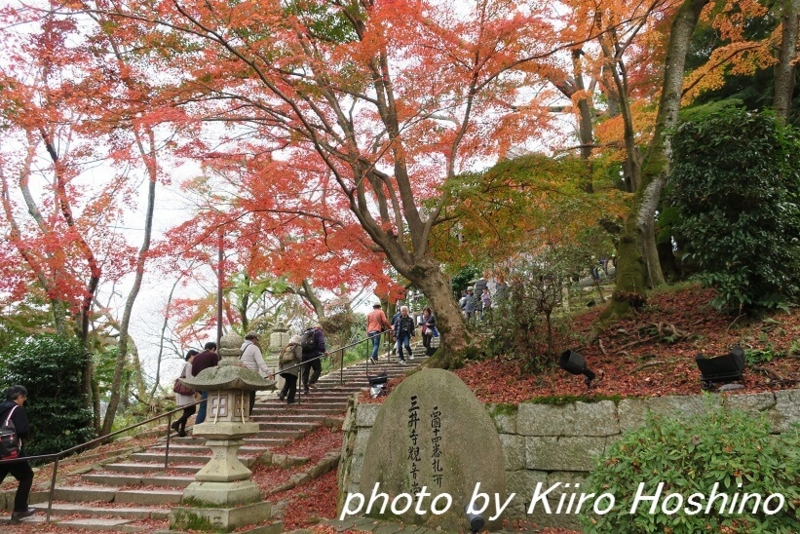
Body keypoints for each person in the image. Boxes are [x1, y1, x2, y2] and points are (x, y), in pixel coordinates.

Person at [0, 385, 36, 523]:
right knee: (27, 476)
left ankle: (20, 510)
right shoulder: (17, 409)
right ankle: (20, 510)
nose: (24, 400)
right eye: (24, 397)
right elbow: (22, 430)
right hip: (11, 452)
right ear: (20, 396)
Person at [240, 332, 271, 413]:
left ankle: (240, 414)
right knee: (251, 395)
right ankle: (248, 414)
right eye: (256, 339)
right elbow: (260, 362)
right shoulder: (254, 348)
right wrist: (268, 372)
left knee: (242, 395)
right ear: (253, 339)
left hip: (240, 374)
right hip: (251, 375)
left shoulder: (239, 347)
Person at [190, 341, 219, 425]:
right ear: (213, 349)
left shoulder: (196, 357)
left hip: (199, 385)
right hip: (209, 384)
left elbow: (193, 372)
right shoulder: (213, 355)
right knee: (205, 405)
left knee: (205, 403)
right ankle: (198, 426)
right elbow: (216, 369)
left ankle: (205, 423)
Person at [172, 349, 198, 437]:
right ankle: (177, 423)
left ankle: (182, 430)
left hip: (181, 392)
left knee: (186, 411)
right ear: (191, 355)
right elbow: (189, 378)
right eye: (195, 356)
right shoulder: (189, 365)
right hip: (186, 392)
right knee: (192, 410)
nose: (196, 359)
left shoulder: (183, 364)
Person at [301, 324, 327, 394]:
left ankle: (305, 389)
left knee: (305, 372)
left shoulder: (306, 332)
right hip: (313, 354)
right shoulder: (318, 332)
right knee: (318, 369)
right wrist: (324, 351)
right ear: (320, 328)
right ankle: (311, 381)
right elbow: (321, 343)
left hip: (303, 355)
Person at [278, 335, 303, 404]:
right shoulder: (298, 347)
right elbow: (299, 357)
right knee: (293, 385)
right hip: (292, 368)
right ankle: (290, 399)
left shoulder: (287, 347)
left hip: (284, 368)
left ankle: (282, 394)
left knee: (288, 382)